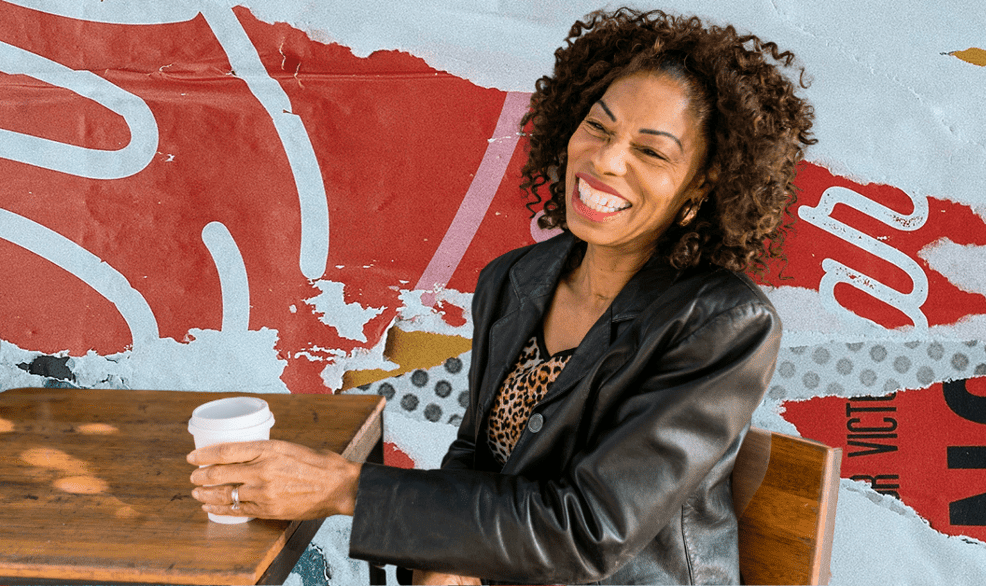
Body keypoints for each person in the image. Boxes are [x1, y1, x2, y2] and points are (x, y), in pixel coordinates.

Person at [188, 7, 815, 584]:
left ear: (702, 187)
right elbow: (476, 454)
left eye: (651, 151)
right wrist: (440, 565)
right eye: (598, 126)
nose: (607, 160)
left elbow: (591, 529)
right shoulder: (517, 279)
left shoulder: (722, 323)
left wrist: (347, 489)